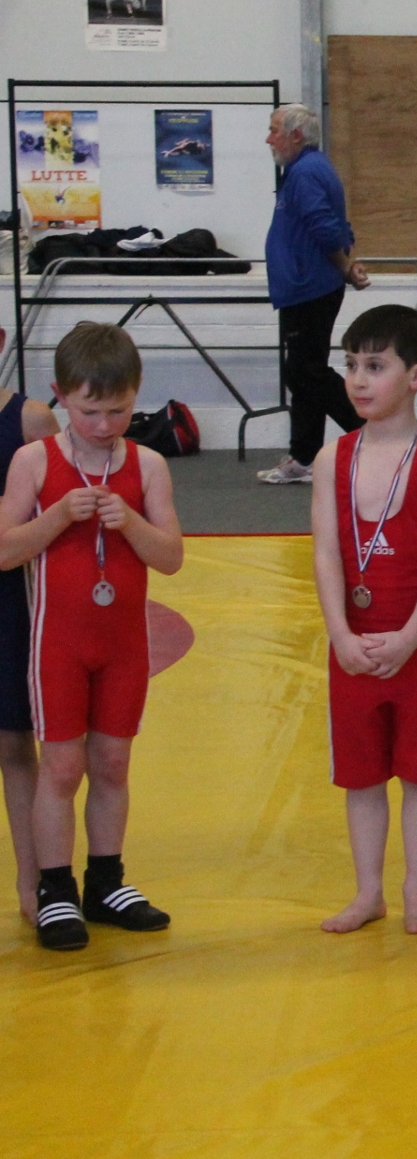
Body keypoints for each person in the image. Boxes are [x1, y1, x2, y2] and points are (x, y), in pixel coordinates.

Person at [0, 323, 183, 952]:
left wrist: (129, 521)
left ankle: (106, 881)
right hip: (59, 645)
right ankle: (55, 887)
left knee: (112, 763)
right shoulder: (35, 461)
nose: (104, 425)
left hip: (123, 646)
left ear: (136, 394)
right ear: (60, 397)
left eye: (119, 411)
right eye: (89, 412)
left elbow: (170, 557)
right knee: (61, 766)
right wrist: (56, 516)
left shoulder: (148, 465)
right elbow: (4, 550)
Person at [312, 305, 417, 936]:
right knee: (362, 775)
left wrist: (411, 634)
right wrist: (340, 634)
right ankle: (368, 891)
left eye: (375, 366)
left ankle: (416, 892)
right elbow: (325, 553)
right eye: (351, 365)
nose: (358, 380)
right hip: (351, 640)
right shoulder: (332, 458)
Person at [258, 103, 368, 486]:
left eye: (274, 130)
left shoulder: (305, 172)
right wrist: (347, 264)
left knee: (306, 371)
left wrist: (344, 266)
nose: (269, 139)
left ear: (296, 135)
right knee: (303, 372)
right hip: (304, 288)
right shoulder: (306, 170)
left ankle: (372, 434)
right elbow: (337, 224)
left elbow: (326, 228)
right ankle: (304, 457)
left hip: (310, 288)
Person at [0, 332, 59, 921]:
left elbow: (58, 507)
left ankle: (32, 879)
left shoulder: (30, 418)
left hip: (10, 595)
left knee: (14, 740)